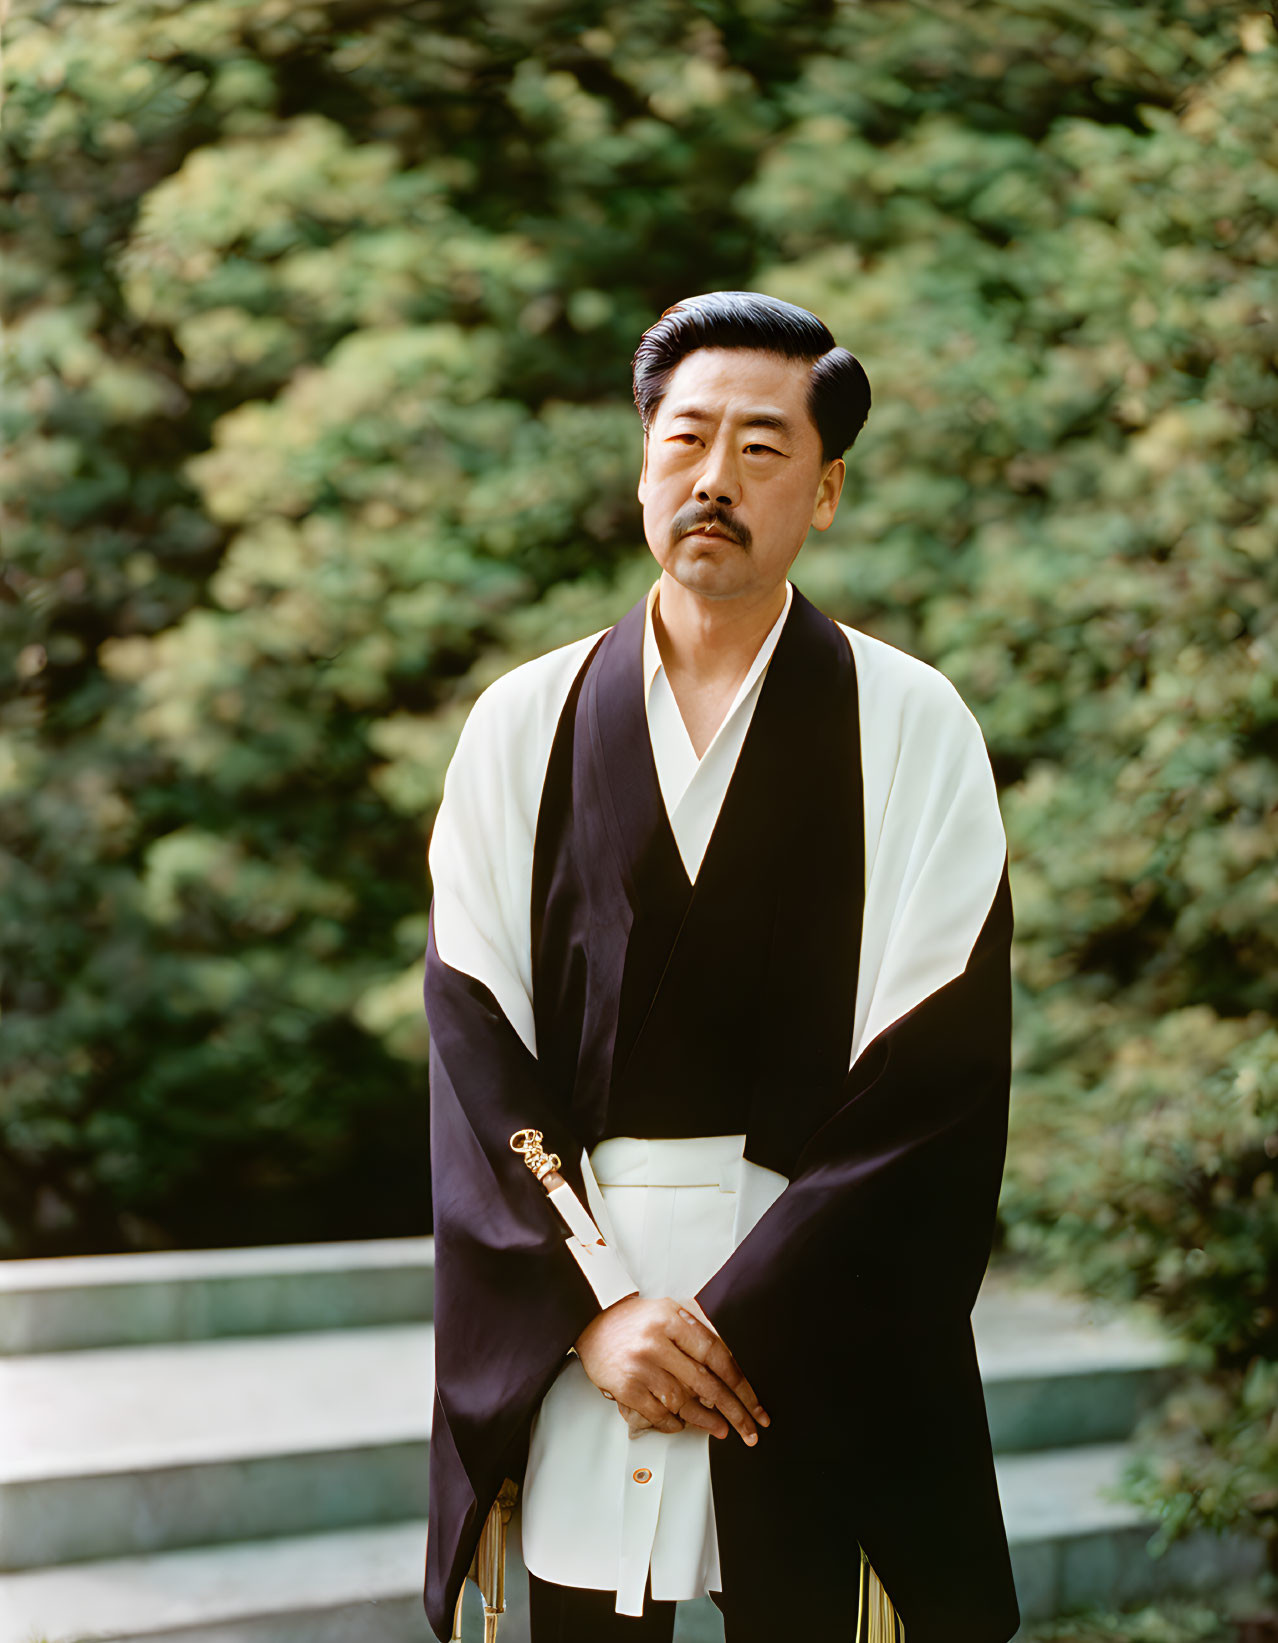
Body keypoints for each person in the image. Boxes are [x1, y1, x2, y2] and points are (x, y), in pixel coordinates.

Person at [423, 291, 1020, 1643]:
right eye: (683, 439)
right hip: (590, 1296)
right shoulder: (526, 720)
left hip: (808, 1315)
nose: (711, 479)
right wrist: (598, 1315)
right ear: (641, 464)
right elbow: (473, 1035)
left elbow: (932, 1064)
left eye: (761, 449)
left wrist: (741, 1316)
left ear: (826, 492)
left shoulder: (909, 722)